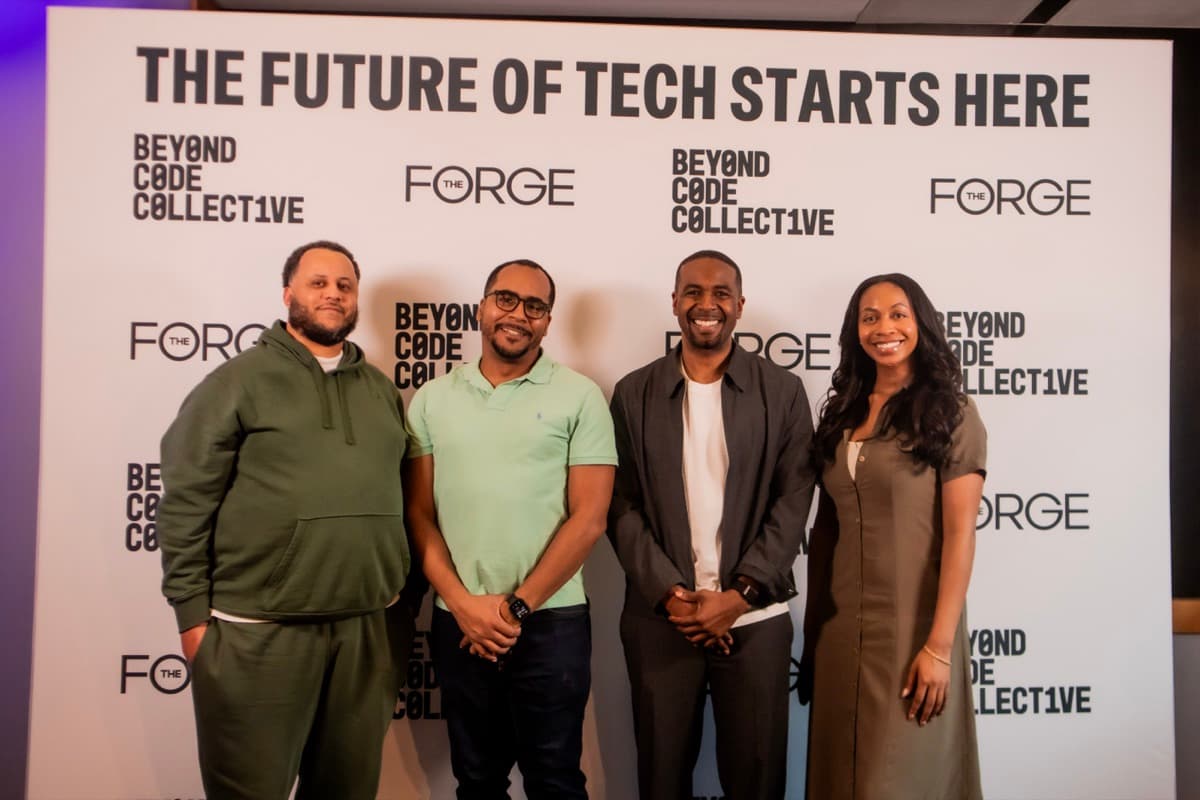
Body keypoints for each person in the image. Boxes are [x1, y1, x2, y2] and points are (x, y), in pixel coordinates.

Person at [157, 240, 414, 800]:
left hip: (363, 632)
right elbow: (184, 503)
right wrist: (192, 619)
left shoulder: (379, 390)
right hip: (257, 634)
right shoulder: (237, 382)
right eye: (318, 283)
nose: (333, 295)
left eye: (344, 286)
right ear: (287, 294)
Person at [404, 258, 617, 800]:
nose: (518, 314)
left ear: (548, 321)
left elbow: (589, 519)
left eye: (535, 306)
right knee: (476, 782)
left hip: (551, 623)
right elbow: (419, 515)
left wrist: (515, 608)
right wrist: (462, 604)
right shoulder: (431, 399)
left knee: (556, 781)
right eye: (505, 299)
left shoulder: (580, 396)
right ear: (481, 307)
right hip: (460, 622)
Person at [607, 249, 816, 800]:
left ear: (740, 306)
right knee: (660, 778)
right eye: (693, 292)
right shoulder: (633, 393)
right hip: (661, 621)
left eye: (720, 293)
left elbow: (794, 501)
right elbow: (619, 505)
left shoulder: (784, 391)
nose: (707, 304)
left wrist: (739, 594)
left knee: (759, 778)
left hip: (755, 619)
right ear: (674, 302)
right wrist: (670, 594)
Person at [801, 273, 986, 800]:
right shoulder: (841, 415)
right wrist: (813, 637)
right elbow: (826, 532)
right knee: (840, 778)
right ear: (854, 330)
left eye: (898, 313)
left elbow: (960, 536)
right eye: (870, 316)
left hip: (914, 634)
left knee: (901, 779)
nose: (884, 327)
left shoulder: (953, 413)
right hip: (839, 636)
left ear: (920, 323)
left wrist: (940, 647)